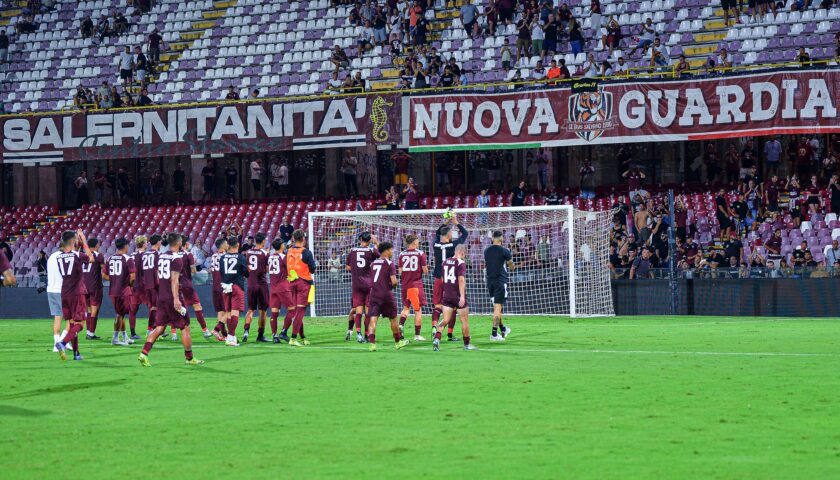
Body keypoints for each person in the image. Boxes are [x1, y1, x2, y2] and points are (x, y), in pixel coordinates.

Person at [137, 233, 205, 367]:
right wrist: (176, 299)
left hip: (162, 296)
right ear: (179, 243)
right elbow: (174, 280)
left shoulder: (161, 256)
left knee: (160, 327)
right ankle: (189, 358)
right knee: (185, 327)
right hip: (172, 297)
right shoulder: (176, 258)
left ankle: (143, 353)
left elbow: (158, 275)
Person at [54, 230, 95, 361]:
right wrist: (84, 241)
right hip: (77, 293)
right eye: (76, 238)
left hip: (65, 293)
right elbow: (91, 258)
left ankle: (76, 353)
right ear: (72, 241)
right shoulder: (77, 255)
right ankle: (62, 343)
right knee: (81, 324)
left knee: (72, 324)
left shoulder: (59, 257)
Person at [365, 242, 409, 352]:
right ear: (387, 250)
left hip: (374, 294)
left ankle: (372, 344)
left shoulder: (373, 264)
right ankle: (398, 342)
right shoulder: (389, 264)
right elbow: (394, 281)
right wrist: (394, 285)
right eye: (391, 249)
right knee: (393, 318)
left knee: (373, 318)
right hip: (386, 294)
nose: (392, 251)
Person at [431, 215, 468, 340]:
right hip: (450, 281)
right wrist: (456, 222)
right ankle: (450, 334)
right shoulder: (453, 245)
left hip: (438, 278)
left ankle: (434, 326)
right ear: (449, 235)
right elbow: (465, 233)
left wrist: (445, 222)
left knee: (437, 305)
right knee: (453, 307)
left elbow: (437, 233)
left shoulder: (435, 244)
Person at [434, 244, 475, 351]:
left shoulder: (445, 262)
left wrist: (447, 290)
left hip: (447, 295)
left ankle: (437, 338)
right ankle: (467, 345)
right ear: (462, 252)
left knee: (445, 320)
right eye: (465, 253)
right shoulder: (461, 263)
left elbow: (442, 279)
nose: (465, 255)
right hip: (457, 296)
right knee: (464, 320)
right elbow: (461, 280)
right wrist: (462, 297)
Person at [283, 230, 317, 346]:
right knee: (300, 311)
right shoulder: (306, 252)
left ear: (293, 238)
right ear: (303, 239)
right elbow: (312, 269)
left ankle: (302, 337)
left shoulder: (289, 251)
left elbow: (286, 265)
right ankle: (293, 338)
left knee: (297, 311)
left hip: (292, 282)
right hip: (303, 283)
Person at [345, 232, 379, 342]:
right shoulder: (371, 250)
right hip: (369, 284)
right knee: (368, 311)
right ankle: (367, 335)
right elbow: (384, 256)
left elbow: (348, 267)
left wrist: (357, 269)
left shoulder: (352, 251)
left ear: (360, 240)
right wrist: (376, 242)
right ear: (369, 241)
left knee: (358, 310)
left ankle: (358, 334)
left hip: (357, 284)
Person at [397, 234, 428, 342]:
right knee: (418, 310)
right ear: (414, 243)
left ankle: (401, 325)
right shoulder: (420, 253)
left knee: (406, 308)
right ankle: (417, 335)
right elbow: (425, 271)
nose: (418, 243)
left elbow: (400, 271)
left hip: (405, 285)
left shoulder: (401, 254)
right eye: (417, 242)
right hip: (416, 285)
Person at [484, 231, 514, 341]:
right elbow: (511, 266)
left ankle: (503, 329)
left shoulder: (486, 251)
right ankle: (494, 334)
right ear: (501, 239)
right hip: (500, 282)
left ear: (492, 239)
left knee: (497, 307)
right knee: (498, 307)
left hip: (490, 282)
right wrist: (511, 266)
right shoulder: (505, 251)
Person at [180, 236, 211, 339]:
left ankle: (174, 333)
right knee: (197, 306)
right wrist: (195, 265)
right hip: (186, 285)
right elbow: (193, 271)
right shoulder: (188, 255)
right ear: (186, 244)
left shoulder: (172, 254)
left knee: (179, 308)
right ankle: (205, 330)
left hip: (175, 286)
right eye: (188, 242)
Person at [220, 236, 248, 346]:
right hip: (237, 286)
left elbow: (221, 272)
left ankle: (231, 336)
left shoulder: (222, 257)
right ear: (238, 245)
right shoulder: (241, 257)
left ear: (228, 245)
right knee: (235, 312)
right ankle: (231, 337)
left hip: (225, 286)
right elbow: (246, 273)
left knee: (229, 312)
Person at [107, 238, 136, 346]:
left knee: (121, 313)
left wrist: (115, 280)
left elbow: (104, 275)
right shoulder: (128, 259)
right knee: (120, 314)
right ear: (125, 246)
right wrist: (129, 285)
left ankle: (125, 337)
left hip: (113, 290)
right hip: (123, 291)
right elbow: (133, 276)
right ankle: (115, 338)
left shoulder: (110, 258)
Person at [243, 233, 270, 343]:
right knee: (262, 311)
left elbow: (246, 268)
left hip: (250, 284)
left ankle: (246, 331)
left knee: (250, 309)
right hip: (261, 284)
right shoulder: (265, 253)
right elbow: (267, 270)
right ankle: (260, 335)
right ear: (263, 241)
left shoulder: (248, 252)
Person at [268, 239, 292, 343]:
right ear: (281, 246)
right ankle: (283, 332)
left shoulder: (270, 257)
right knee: (293, 310)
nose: (284, 245)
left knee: (274, 313)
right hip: (282, 287)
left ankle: (275, 336)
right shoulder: (283, 257)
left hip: (273, 288)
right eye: (283, 243)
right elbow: (290, 269)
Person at [82, 237, 106, 341]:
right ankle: (91, 333)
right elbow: (104, 269)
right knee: (95, 309)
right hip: (94, 285)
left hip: (84, 286)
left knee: (88, 309)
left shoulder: (83, 255)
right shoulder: (98, 255)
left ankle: (88, 332)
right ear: (96, 245)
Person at [207, 238, 229, 341]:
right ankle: (217, 329)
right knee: (228, 311)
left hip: (215, 285)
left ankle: (223, 334)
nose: (227, 245)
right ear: (222, 245)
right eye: (226, 243)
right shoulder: (225, 256)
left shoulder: (214, 256)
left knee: (220, 311)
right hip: (223, 286)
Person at [141, 235, 162, 337]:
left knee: (154, 307)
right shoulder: (157, 254)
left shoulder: (144, 254)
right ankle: (150, 329)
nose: (161, 243)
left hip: (146, 283)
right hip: (155, 284)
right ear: (158, 242)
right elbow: (158, 270)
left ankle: (156, 328)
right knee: (155, 307)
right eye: (160, 241)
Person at [46, 247, 66, 351]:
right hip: (62, 289)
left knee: (57, 316)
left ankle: (56, 343)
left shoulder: (51, 257)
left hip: (51, 289)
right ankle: (63, 341)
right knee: (72, 318)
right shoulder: (64, 257)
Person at [128, 236, 147, 340]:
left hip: (134, 287)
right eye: (146, 242)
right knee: (153, 308)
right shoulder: (147, 255)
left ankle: (133, 333)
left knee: (133, 311)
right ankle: (154, 330)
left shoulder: (131, 256)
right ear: (144, 244)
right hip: (145, 286)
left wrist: (129, 285)